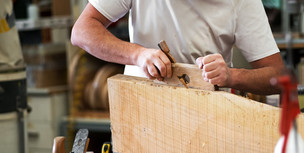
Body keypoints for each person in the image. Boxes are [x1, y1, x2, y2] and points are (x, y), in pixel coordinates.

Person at [71, 0, 284, 95]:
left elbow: (278, 76)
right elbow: (82, 31)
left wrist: (231, 76)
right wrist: (137, 54)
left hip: (208, 126)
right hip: (140, 122)